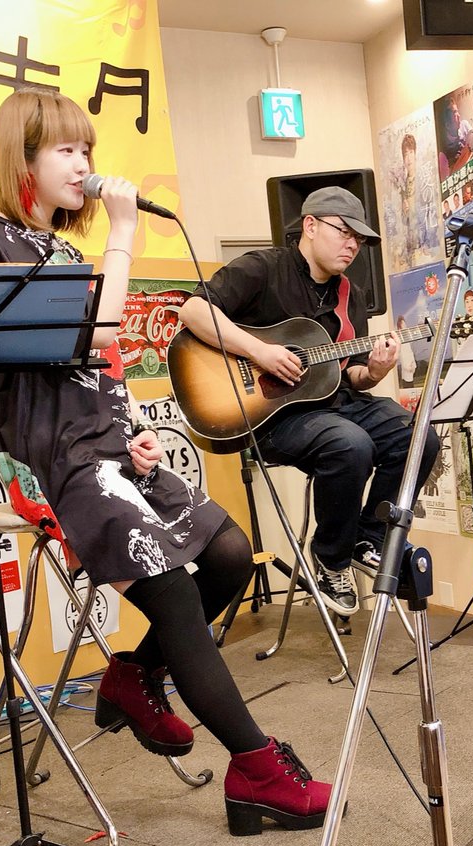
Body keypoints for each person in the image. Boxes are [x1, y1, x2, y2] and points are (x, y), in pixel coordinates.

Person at [0, 88, 330, 837]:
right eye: (65, 149)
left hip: (103, 449)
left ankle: (133, 675)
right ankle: (256, 768)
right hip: (50, 463)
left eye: (87, 150)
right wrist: (125, 228)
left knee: (229, 555)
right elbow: (96, 331)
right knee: (175, 595)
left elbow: (95, 366)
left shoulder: (62, 249)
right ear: (22, 158)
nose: (84, 165)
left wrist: (132, 430)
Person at [179, 186, 441, 615]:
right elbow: (192, 310)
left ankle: (369, 538)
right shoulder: (263, 268)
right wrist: (259, 351)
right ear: (311, 225)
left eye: (359, 239)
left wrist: (375, 371)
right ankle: (331, 559)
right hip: (271, 417)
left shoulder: (350, 295)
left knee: (419, 437)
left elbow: (352, 374)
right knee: (350, 444)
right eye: (344, 232)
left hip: (335, 405)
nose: (352, 245)